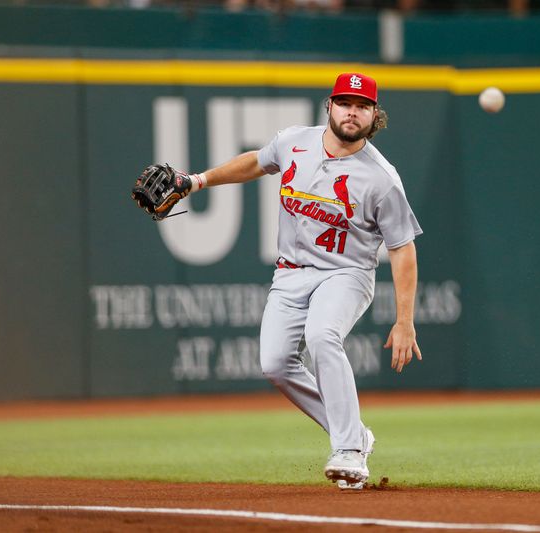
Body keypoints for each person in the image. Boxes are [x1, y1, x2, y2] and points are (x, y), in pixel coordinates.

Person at [175, 72, 423, 490]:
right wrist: (197, 181)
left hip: (346, 273)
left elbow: (402, 249)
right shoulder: (295, 141)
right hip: (290, 273)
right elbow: (255, 161)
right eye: (345, 103)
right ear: (329, 105)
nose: (352, 112)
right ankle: (355, 434)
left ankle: (348, 451)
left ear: (374, 116)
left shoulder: (382, 178)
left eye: (362, 106)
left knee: (323, 335)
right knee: (274, 363)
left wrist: (404, 320)